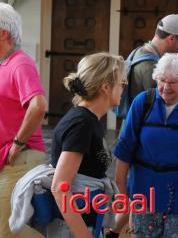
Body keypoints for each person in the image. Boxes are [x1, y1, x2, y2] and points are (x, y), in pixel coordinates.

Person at [0, 3, 47, 238]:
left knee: (13, 234)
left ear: (3, 33)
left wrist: (17, 143)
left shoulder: (20, 63)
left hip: (17, 162)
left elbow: (38, 106)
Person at [108, 13, 178, 237]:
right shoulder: (145, 101)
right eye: (162, 81)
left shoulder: (138, 53)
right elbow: (125, 148)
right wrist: (122, 194)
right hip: (144, 192)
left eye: (174, 82)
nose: (166, 87)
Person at [50, 52, 125, 237]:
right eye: (121, 83)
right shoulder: (81, 123)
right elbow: (60, 188)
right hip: (73, 228)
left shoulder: (89, 119)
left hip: (87, 222)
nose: (123, 89)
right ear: (106, 87)